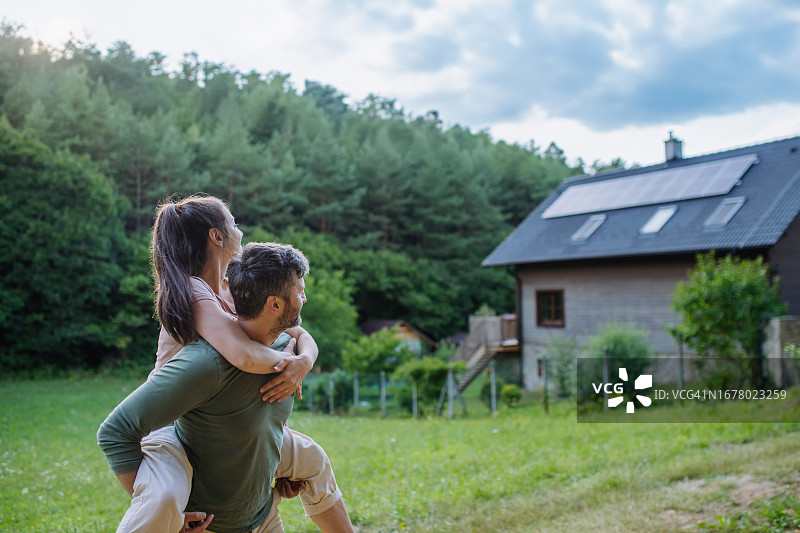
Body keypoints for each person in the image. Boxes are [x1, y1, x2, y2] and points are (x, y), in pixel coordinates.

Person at [109, 196, 354, 532]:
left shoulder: (224, 289)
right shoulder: (196, 292)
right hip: (172, 423)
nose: (241, 231)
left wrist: (305, 361)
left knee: (311, 458)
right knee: (162, 498)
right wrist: (289, 363)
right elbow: (243, 356)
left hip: (228, 420)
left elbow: (294, 328)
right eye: (234, 224)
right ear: (217, 237)